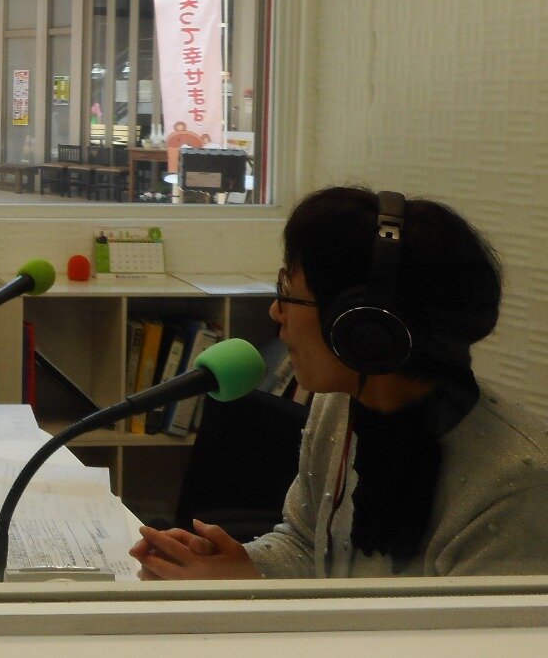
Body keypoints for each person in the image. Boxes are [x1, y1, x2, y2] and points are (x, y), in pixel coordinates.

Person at [130, 186, 548, 579]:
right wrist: (238, 568)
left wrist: (252, 595)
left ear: (363, 330)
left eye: (288, 293)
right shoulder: (340, 404)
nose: (275, 312)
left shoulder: (515, 488)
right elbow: (306, 545)